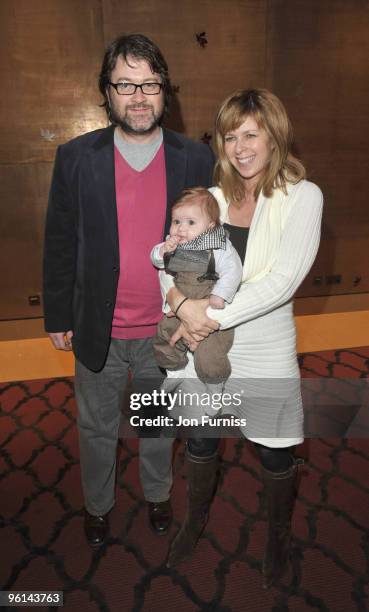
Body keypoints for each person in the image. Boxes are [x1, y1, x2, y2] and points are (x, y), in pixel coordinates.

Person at [43, 33, 215, 548]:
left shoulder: (195, 157)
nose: (138, 96)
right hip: (99, 327)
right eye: (125, 84)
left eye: (149, 84)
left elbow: (211, 243)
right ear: (107, 91)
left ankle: (158, 495)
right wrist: (56, 315)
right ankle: (98, 506)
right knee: (95, 428)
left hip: (165, 329)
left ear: (166, 91)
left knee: (156, 424)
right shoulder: (75, 157)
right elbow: (59, 240)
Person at [160, 89, 323, 587]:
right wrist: (178, 302)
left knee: (274, 448)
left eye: (251, 134)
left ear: (274, 136)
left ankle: (278, 533)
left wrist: (205, 316)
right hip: (201, 335)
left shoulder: (303, 196)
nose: (240, 146)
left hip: (261, 340)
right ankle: (196, 518)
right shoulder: (214, 194)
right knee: (202, 437)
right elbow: (172, 251)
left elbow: (283, 282)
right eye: (230, 136)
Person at [151, 187, 242, 386]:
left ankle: (215, 387)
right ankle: (174, 372)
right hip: (177, 309)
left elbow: (233, 270)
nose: (181, 228)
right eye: (176, 222)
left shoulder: (218, 245)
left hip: (208, 309)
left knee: (209, 354)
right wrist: (162, 252)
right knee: (165, 337)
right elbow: (157, 262)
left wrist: (220, 294)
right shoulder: (173, 243)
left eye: (191, 222)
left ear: (210, 226)